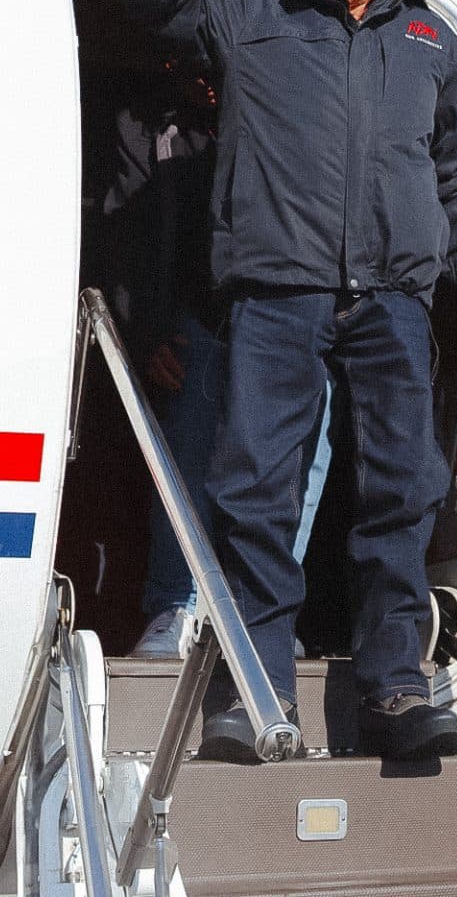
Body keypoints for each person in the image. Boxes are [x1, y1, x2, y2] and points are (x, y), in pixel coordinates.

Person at [116, 0, 457, 761]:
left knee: (398, 494)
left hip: (392, 303)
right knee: (255, 491)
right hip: (278, 291)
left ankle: (394, 684)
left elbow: (453, 179)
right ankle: (251, 688)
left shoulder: (431, 46)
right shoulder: (256, 18)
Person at [102, 55, 333, 659]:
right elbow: (129, 229)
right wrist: (145, 330)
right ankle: (177, 607)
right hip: (200, 318)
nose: (203, 75)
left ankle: (259, 612)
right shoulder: (154, 125)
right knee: (190, 453)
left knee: (302, 462)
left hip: (291, 311)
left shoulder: (284, 113)